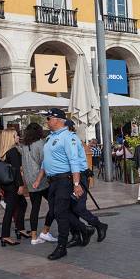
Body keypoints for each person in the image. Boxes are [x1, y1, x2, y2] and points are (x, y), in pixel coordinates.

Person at [36, 109, 89, 261]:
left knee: (60, 213)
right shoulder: (50, 138)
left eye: (48, 118)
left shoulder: (68, 137)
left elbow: (74, 161)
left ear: (58, 120)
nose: (47, 121)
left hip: (64, 181)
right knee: (57, 212)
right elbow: (46, 162)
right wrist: (39, 178)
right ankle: (84, 229)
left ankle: (62, 247)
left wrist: (77, 183)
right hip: (53, 181)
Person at [0, 128, 25, 246]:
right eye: (16, 135)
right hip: (13, 185)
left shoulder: (1, 151)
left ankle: (20, 229)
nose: (18, 137)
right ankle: (5, 236)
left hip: (5, 184)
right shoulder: (13, 151)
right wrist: (21, 185)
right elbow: (16, 170)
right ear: (11, 138)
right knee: (10, 210)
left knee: (22, 204)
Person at [20, 123, 49, 245]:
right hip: (41, 179)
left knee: (35, 208)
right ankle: (45, 230)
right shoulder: (40, 144)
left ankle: (33, 236)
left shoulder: (24, 146)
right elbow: (44, 162)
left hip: (30, 181)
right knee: (54, 204)